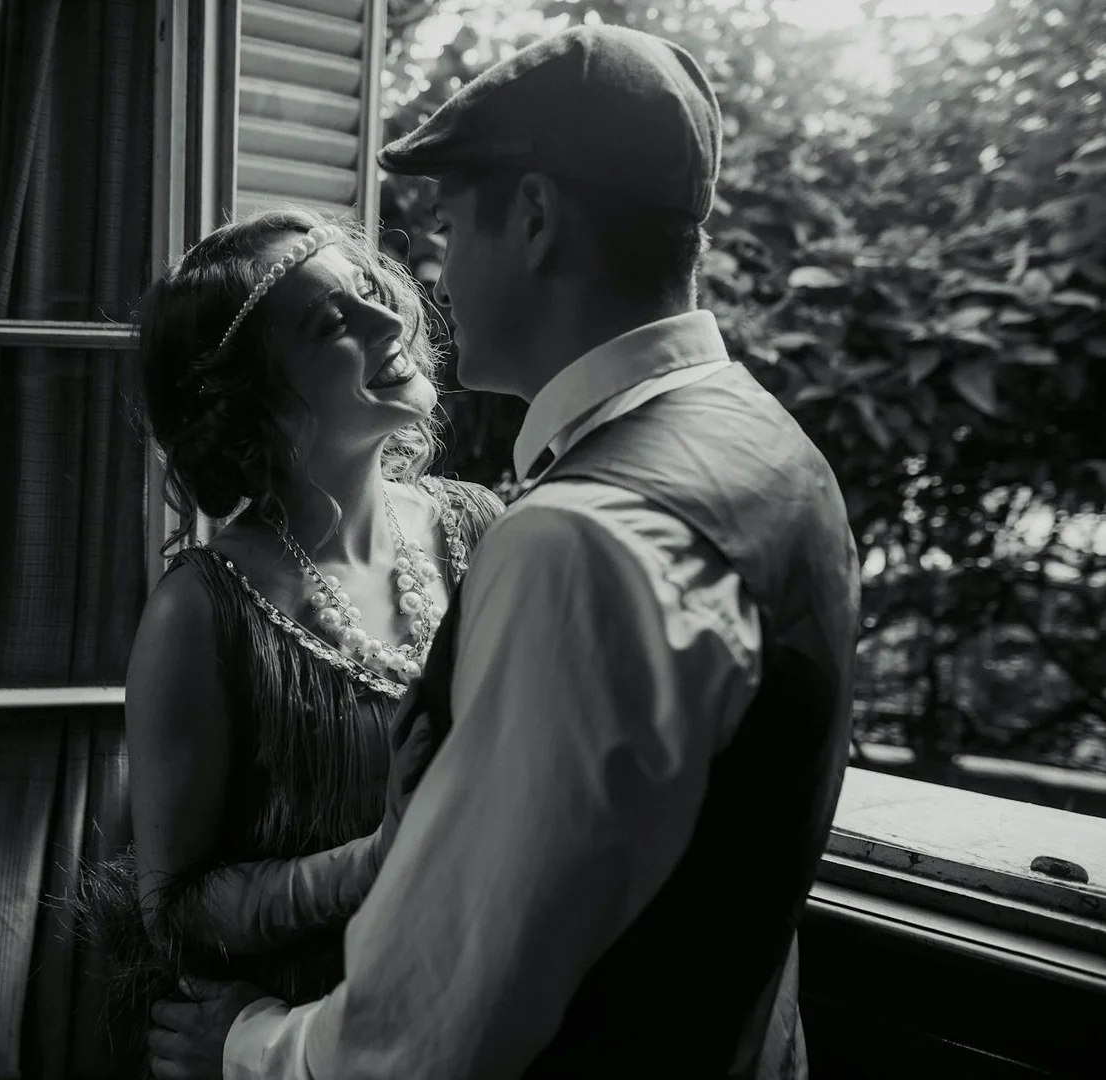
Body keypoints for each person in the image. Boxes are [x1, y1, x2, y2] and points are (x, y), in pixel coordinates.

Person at [145, 24, 861, 1080]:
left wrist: (251, 1047)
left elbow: (438, 1026)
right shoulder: (770, 445)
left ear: (533, 216)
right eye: (333, 319)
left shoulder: (570, 539)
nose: (423, 289)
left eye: (444, 227)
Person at [64, 209, 506, 1077]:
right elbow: (174, 908)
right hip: (288, 1038)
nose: (391, 318)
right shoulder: (201, 613)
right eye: (333, 321)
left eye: (373, 289)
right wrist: (375, 860)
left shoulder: (481, 526)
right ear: (255, 398)